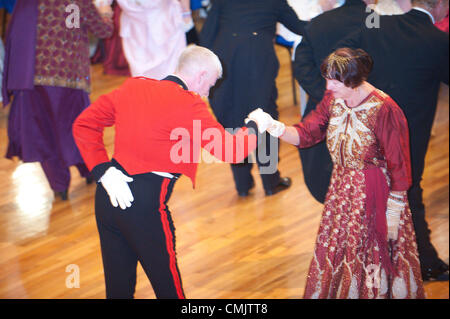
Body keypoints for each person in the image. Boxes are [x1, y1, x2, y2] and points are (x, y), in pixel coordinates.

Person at [72, 45, 263, 299]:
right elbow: (231, 151)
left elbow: (84, 123)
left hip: (107, 197)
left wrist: (102, 169)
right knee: (169, 289)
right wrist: (255, 126)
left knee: (118, 289)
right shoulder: (188, 102)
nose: (209, 91)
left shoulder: (133, 87)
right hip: (144, 208)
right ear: (201, 76)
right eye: (212, 83)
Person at [248, 48, 426, 299]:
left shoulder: (384, 108)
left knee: (372, 253)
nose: (328, 86)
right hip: (341, 191)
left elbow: (399, 162)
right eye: (328, 79)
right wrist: (273, 126)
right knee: (339, 250)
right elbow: (307, 133)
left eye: (334, 80)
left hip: (375, 192)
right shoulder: (333, 100)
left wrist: (394, 210)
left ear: (353, 81)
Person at [337, 0, 449, 282]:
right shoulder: (438, 40)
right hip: (408, 132)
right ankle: (424, 263)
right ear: (441, 5)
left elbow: (341, 57)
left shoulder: (378, 27)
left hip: (369, 125)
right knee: (408, 190)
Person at [2, 0, 113, 200]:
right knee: (77, 130)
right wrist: (105, 12)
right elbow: (102, 29)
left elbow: (14, 37)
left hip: (32, 81)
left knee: (44, 134)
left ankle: (58, 185)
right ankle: (89, 171)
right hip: (69, 80)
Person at [200, 0, 307, 197]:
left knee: (231, 118)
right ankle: (270, 181)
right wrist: (331, 20)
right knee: (263, 118)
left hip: (224, 59)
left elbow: (207, 35)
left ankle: (242, 184)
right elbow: (300, 27)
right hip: (257, 60)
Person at [293, 0, 371, 204]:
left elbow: (301, 66)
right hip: (367, 111)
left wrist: (328, 95)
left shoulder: (318, 24)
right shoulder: (378, 23)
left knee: (323, 177)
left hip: (323, 113)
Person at [117, 0, 187, 79]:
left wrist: (186, 13)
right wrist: (103, 3)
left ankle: (170, 86)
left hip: (165, 23)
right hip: (134, 28)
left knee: (170, 67)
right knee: (138, 66)